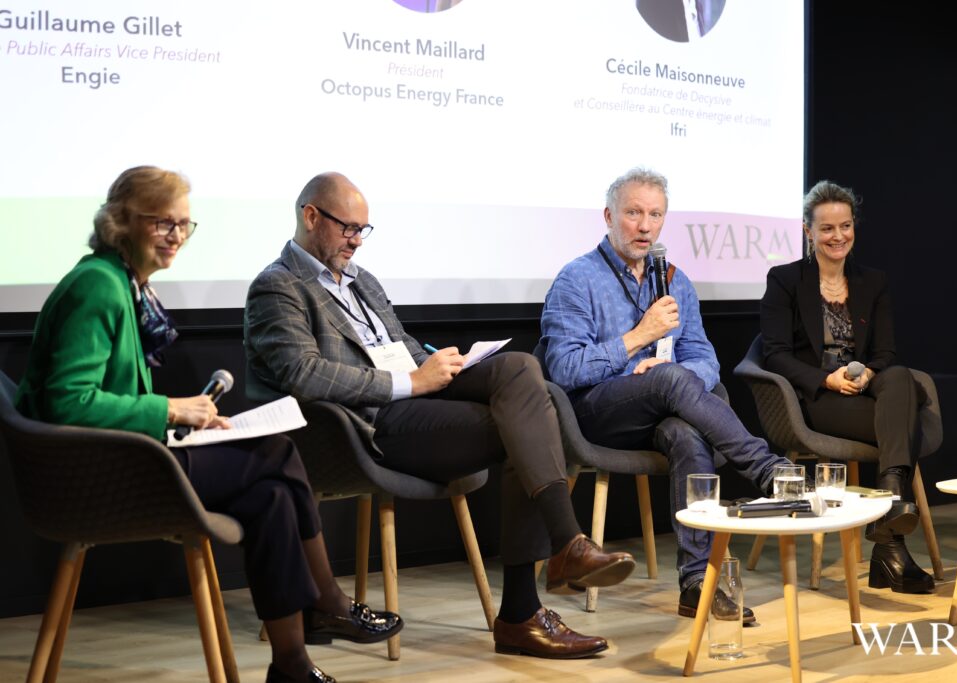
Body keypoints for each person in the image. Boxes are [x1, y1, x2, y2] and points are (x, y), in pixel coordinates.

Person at [15, 166, 404, 683]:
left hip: (121, 453)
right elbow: (68, 403)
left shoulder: (122, 282)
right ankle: (327, 602)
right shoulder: (99, 288)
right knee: (278, 454)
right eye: (162, 224)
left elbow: (104, 396)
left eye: (184, 225)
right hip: (94, 472)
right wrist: (172, 411)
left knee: (269, 498)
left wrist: (188, 419)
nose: (176, 236)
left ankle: (291, 664)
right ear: (121, 223)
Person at [244, 171, 635, 659]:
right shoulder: (277, 286)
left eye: (364, 231)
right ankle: (525, 607)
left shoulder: (362, 281)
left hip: (412, 400)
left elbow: (398, 345)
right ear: (310, 216)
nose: (357, 242)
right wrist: (412, 381)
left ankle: (564, 551)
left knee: (520, 369)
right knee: (530, 422)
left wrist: (445, 364)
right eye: (349, 229)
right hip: (361, 427)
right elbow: (305, 375)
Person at [540, 167, 792, 624]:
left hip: (661, 411)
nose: (644, 225)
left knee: (684, 430)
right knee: (671, 380)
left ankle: (697, 583)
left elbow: (705, 360)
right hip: (594, 413)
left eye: (655, 215)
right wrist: (638, 338)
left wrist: (673, 370)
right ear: (609, 216)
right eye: (633, 213)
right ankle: (768, 470)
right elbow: (564, 369)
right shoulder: (576, 279)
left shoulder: (675, 280)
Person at [760, 179, 933, 594]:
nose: (838, 236)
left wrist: (869, 373)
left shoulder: (873, 281)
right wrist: (826, 378)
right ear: (809, 232)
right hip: (818, 398)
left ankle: (889, 512)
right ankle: (891, 544)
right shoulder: (784, 280)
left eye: (846, 226)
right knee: (903, 416)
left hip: (867, 390)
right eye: (827, 228)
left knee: (898, 376)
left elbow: (886, 352)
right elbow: (774, 353)